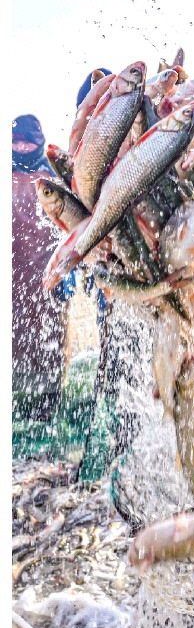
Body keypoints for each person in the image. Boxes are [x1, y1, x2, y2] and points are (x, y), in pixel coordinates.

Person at [12, 114, 72, 422]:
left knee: (50, 341)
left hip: (48, 278)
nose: (22, 147)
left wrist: (68, 277)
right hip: (12, 280)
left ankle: (49, 403)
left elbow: (71, 229)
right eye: (16, 141)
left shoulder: (53, 180)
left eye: (28, 142)